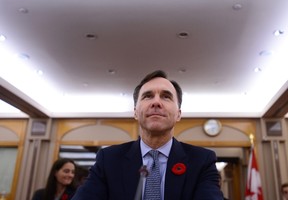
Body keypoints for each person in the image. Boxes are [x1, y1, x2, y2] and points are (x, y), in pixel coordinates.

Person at [72, 70, 223, 200]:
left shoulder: (202, 161)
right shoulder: (108, 159)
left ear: (178, 114)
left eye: (166, 96)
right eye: (148, 96)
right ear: (135, 112)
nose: (156, 102)